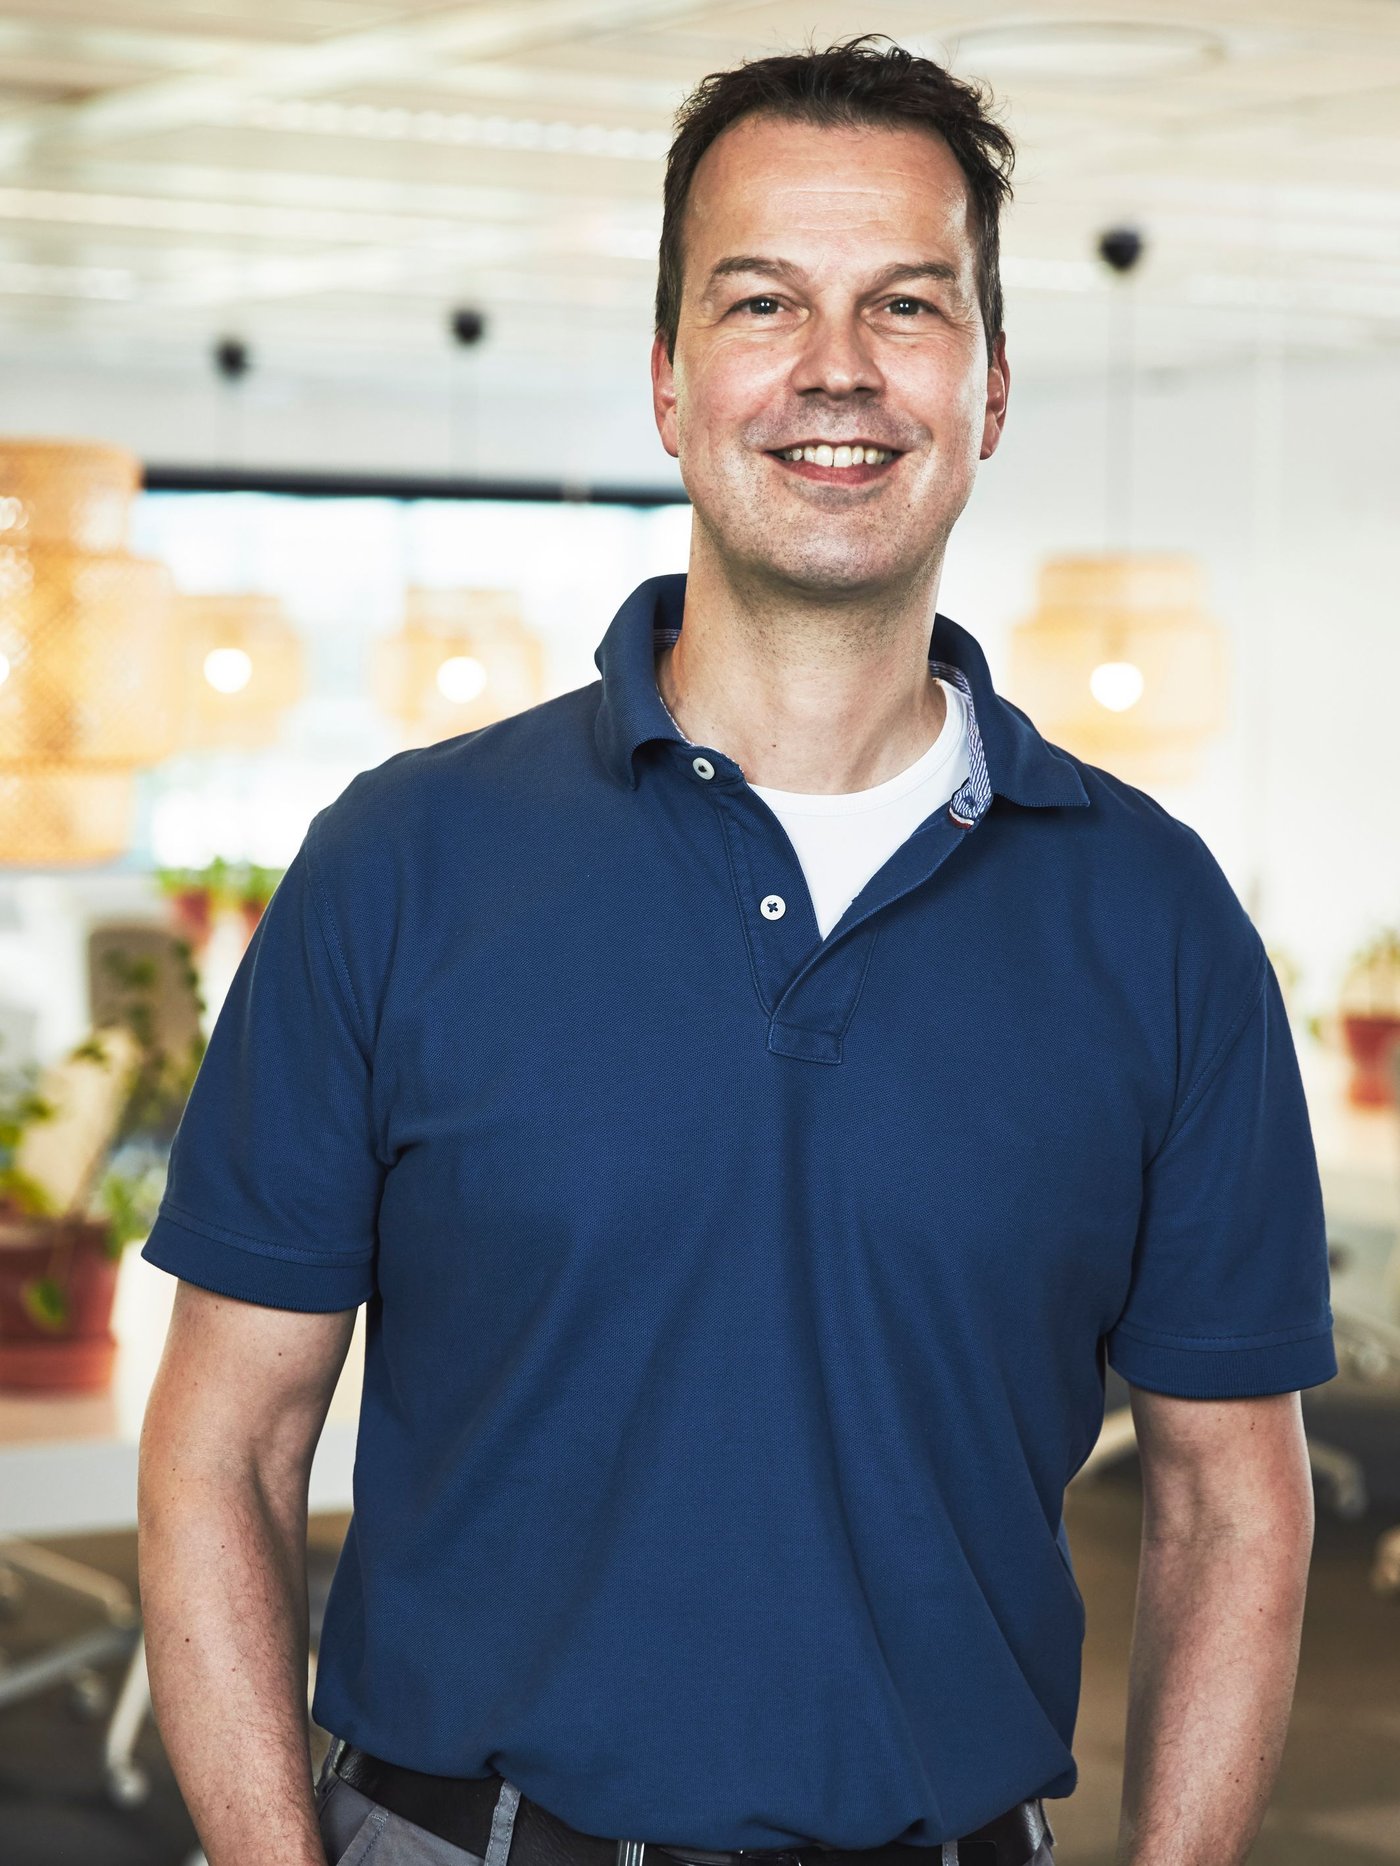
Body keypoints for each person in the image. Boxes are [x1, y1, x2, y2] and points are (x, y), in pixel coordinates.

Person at [137, 34, 1337, 1866]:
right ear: (670, 382)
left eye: (908, 305)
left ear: (994, 386)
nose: (836, 367)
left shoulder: (1159, 922)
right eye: (762, 299)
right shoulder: (401, 861)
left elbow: (1233, 1506)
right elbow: (223, 1442)